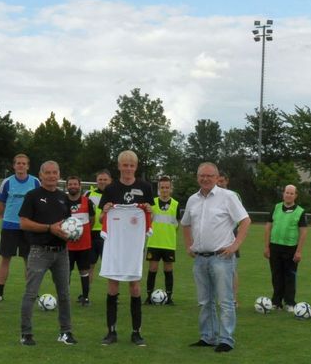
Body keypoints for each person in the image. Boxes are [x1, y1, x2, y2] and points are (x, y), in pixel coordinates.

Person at [181, 162, 250, 352]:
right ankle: (208, 336)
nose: (205, 179)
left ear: (217, 177)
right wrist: (188, 246)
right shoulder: (192, 200)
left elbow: (245, 221)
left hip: (221, 257)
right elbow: (185, 223)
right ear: (197, 177)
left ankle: (226, 339)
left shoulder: (228, 197)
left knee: (225, 300)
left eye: (209, 176)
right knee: (204, 301)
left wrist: (235, 245)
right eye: (202, 175)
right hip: (200, 258)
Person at [17, 160, 76, 346]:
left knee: (65, 294)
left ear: (59, 175)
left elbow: (68, 223)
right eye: (48, 173)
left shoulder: (62, 197)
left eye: (55, 172)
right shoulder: (32, 195)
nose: (51, 176)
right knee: (30, 293)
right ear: (41, 175)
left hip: (61, 252)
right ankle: (26, 334)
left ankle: (65, 332)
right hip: (39, 252)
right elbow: (24, 223)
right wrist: (49, 228)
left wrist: (70, 234)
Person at [98, 150, 154, 346]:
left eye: (131, 165)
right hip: (115, 245)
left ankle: (136, 332)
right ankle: (111, 332)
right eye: (125, 165)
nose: (128, 168)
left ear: (136, 167)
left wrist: (149, 211)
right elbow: (100, 219)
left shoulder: (145, 187)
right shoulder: (111, 189)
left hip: (133, 246)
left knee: (135, 286)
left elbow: (151, 218)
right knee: (112, 285)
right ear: (119, 166)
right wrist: (104, 213)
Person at [0, 153, 39, 303]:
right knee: (5, 259)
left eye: (23, 163)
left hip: (28, 227)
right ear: (14, 166)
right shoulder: (7, 182)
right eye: (18, 163)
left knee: (29, 260)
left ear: (28, 166)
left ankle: (32, 293)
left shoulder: (35, 182)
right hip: (9, 226)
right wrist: (9, 217)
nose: (21, 165)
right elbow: (0, 205)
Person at [263, 184, 308, 313]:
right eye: (287, 192)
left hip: (291, 248)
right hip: (275, 247)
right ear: (283, 194)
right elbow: (268, 227)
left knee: (290, 276)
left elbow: (303, 232)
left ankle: (290, 302)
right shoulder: (276, 208)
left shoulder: (300, 211)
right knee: (276, 275)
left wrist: (299, 251)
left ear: (296, 195)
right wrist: (266, 247)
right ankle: (276, 302)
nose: (288, 195)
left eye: (291, 193)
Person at [145, 176, 180, 305]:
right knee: (153, 269)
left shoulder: (175, 204)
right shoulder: (152, 203)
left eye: (167, 187)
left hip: (168, 243)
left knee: (168, 270)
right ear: (158, 189)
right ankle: (149, 297)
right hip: (154, 242)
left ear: (171, 189)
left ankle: (169, 297)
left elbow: (177, 225)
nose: (165, 190)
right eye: (162, 187)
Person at [65, 175, 94, 306]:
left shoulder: (87, 202)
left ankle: (85, 298)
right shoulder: (63, 201)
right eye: (70, 184)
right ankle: (64, 297)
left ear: (80, 186)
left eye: (75, 184)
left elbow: (92, 220)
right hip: (67, 246)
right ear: (67, 186)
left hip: (84, 245)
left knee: (84, 271)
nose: (73, 186)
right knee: (66, 272)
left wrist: (83, 232)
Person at [216, 172, 242, 304]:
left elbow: (239, 217)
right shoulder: (212, 195)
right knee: (215, 269)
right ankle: (218, 299)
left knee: (231, 269)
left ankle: (233, 299)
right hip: (215, 238)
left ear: (227, 181)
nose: (219, 183)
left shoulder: (233, 196)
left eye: (222, 181)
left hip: (231, 236)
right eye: (218, 181)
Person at [86, 169, 112, 265]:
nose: (102, 182)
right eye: (100, 179)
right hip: (91, 234)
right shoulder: (89, 194)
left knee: (108, 265)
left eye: (105, 179)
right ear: (96, 180)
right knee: (89, 266)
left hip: (109, 234)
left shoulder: (115, 195)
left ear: (110, 180)